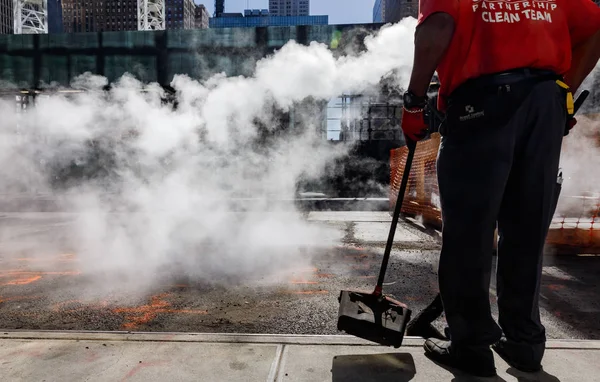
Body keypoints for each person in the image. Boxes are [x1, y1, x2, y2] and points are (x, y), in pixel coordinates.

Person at [400, 0, 600, 377]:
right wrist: (565, 96)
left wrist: (413, 102)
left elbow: (436, 28)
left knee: (469, 234)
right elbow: (596, 27)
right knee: (525, 229)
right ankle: (524, 344)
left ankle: (471, 345)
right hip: (545, 102)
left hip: (482, 102)